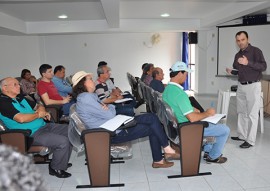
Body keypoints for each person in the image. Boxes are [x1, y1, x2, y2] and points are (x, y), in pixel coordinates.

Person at [72, 71, 180, 168]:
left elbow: (106, 110)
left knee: (153, 123)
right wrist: (110, 107)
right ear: (83, 83)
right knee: (153, 121)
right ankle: (165, 153)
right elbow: (109, 113)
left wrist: (107, 107)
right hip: (109, 132)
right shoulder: (86, 98)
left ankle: (162, 157)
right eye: (90, 79)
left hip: (112, 125)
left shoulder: (88, 96)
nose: (93, 81)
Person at [0, 77, 72, 178]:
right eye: (15, 84)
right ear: (5, 88)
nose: (19, 86)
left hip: (44, 125)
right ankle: (56, 168)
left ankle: (61, 161)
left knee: (71, 132)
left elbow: (38, 105)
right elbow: (21, 119)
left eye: (18, 84)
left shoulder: (20, 97)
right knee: (63, 141)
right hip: (30, 133)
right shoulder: (3, 103)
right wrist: (39, 115)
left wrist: (41, 110)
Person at [163, 61, 230, 164]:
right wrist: (207, 113)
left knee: (211, 124)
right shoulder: (179, 94)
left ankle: (207, 151)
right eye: (186, 73)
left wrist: (191, 108)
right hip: (188, 128)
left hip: (178, 126)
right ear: (180, 73)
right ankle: (213, 156)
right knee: (224, 130)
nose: (186, 76)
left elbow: (177, 107)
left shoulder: (168, 90)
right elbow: (192, 118)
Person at [226, 31, 267, 148]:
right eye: (238, 40)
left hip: (253, 86)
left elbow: (263, 67)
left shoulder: (256, 51)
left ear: (247, 39)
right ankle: (242, 135)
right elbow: (240, 71)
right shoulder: (237, 55)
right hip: (241, 86)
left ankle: (250, 140)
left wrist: (248, 62)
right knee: (241, 112)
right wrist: (232, 71)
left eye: (242, 40)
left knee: (252, 114)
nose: (240, 42)